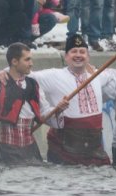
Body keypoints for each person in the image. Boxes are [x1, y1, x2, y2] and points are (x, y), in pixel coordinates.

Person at [0, 43, 68, 165]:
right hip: (8, 150)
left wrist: (58, 109)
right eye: (27, 60)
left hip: (30, 149)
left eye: (31, 59)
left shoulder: (34, 85)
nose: (31, 63)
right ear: (15, 61)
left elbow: (44, 112)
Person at [27, 34, 110, 166]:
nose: (78, 55)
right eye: (74, 51)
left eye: (82, 52)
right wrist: (5, 72)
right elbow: (23, 75)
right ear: (66, 56)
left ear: (88, 57)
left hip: (95, 150)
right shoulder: (54, 76)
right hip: (65, 149)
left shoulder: (98, 76)